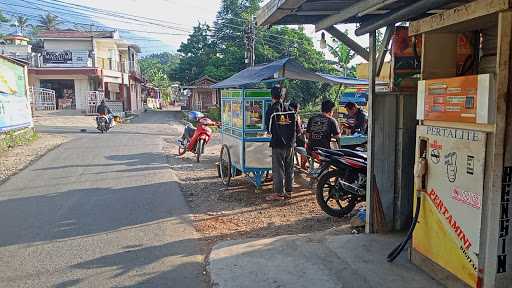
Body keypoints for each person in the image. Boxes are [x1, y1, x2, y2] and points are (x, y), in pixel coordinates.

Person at [264, 85, 298, 201]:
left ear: (272, 96)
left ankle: (279, 194)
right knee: (289, 168)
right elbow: (296, 128)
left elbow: (268, 129)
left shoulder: (271, 110)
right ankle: (289, 192)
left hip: (278, 144)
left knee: (278, 169)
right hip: (290, 144)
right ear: (282, 96)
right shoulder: (291, 110)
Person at [289, 102, 307, 170]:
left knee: (304, 144)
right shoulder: (295, 116)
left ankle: (302, 164)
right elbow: (299, 129)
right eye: (297, 109)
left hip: (294, 138)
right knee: (305, 146)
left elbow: (299, 128)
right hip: (294, 139)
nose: (298, 110)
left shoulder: (295, 116)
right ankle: (302, 165)